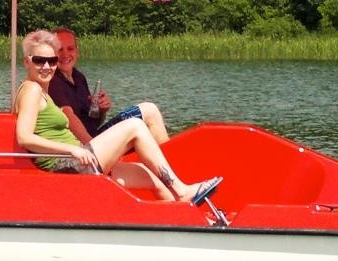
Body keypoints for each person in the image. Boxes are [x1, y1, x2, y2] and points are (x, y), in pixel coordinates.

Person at [14, 29, 221, 204]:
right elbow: (24, 137)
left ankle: (183, 218)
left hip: (78, 162)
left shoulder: (43, 91)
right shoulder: (31, 90)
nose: (47, 66)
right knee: (135, 125)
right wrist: (72, 149)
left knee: (153, 177)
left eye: (51, 60)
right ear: (26, 61)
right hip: (65, 168)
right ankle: (183, 192)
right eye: (40, 61)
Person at [48, 27, 170, 145]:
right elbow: (68, 118)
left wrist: (101, 111)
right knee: (149, 110)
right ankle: (169, 159)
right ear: (50, 53)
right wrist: (92, 149)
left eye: (70, 49)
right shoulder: (52, 80)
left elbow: (93, 123)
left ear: (77, 51)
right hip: (84, 147)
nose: (65, 54)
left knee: (148, 117)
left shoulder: (78, 77)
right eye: (59, 50)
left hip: (95, 137)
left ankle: (165, 159)